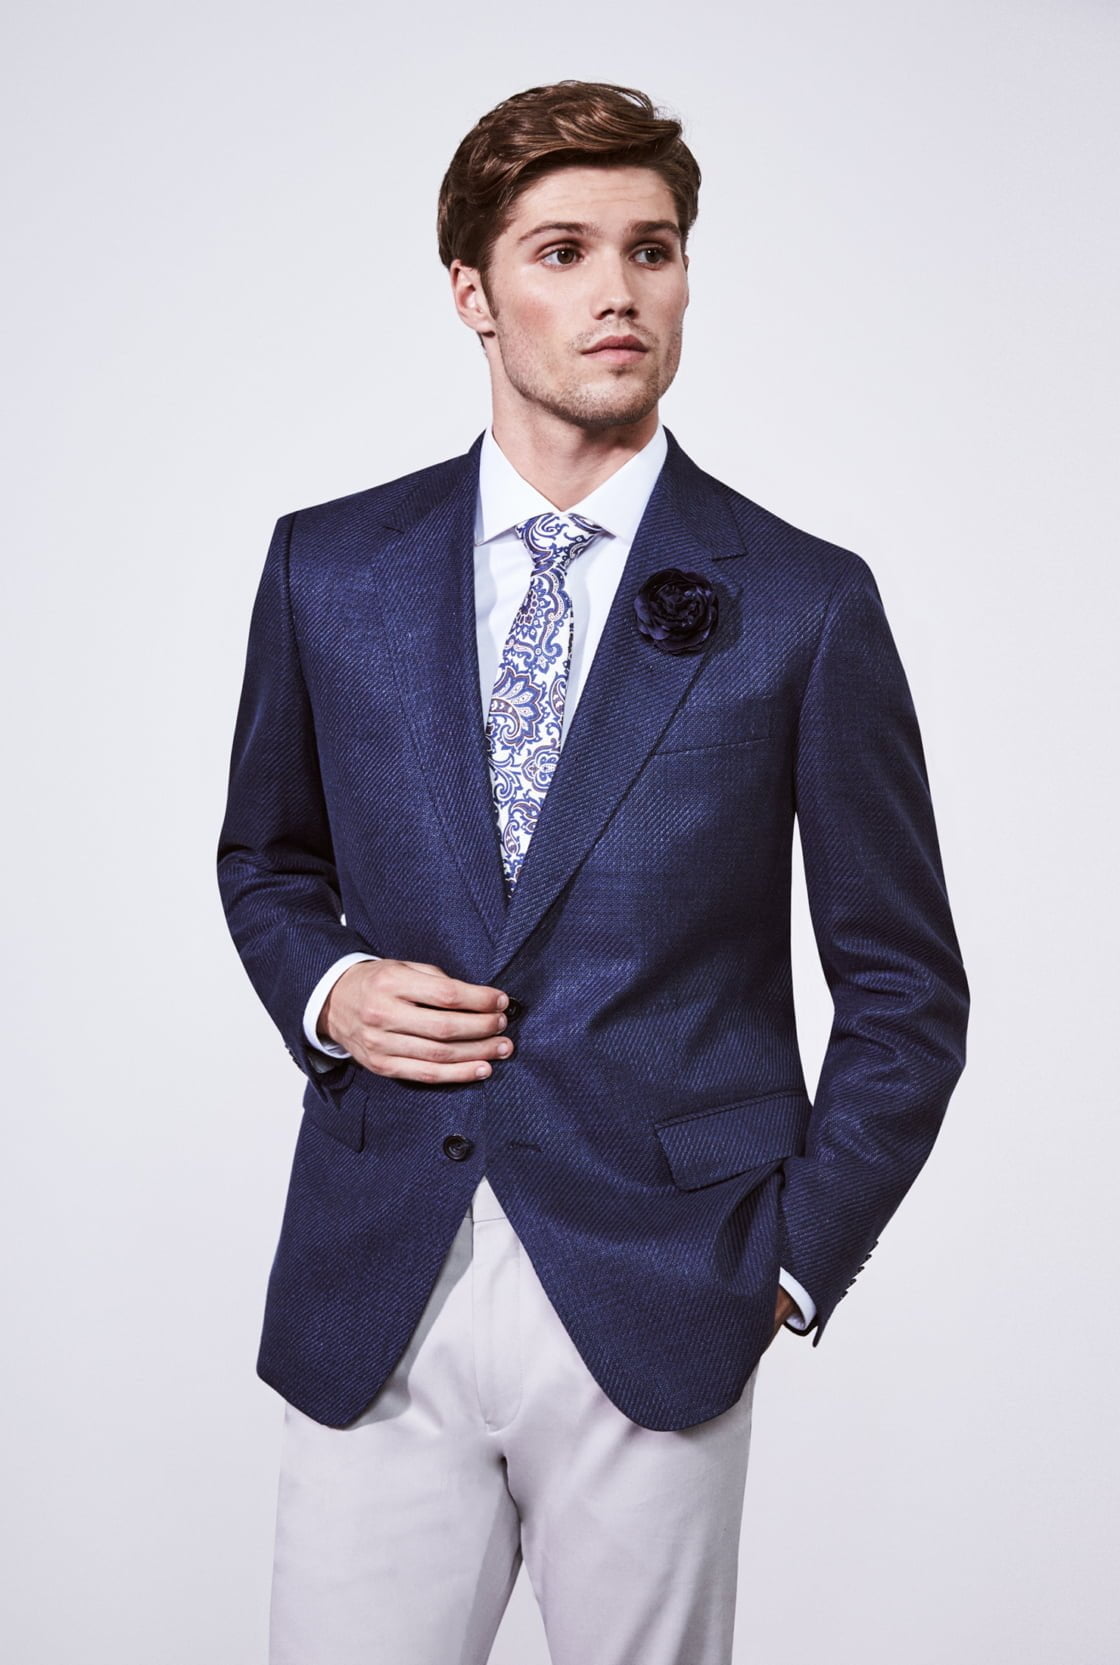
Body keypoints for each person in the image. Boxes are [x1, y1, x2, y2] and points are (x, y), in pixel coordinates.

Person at [217, 78, 969, 1665]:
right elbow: (267, 860)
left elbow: (906, 989)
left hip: (664, 1280)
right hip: (378, 1268)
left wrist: (789, 1261)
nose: (620, 289)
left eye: (655, 248)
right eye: (563, 250)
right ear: (473, 293)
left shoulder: (806, 602)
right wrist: (333, 987)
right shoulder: (328, 568)